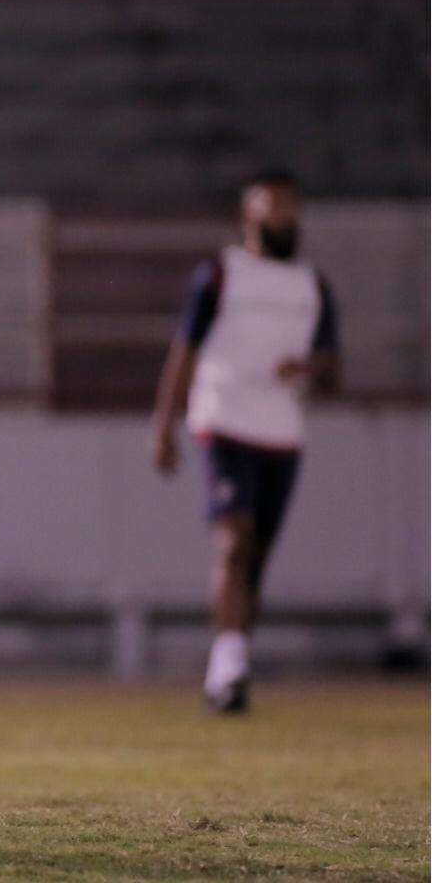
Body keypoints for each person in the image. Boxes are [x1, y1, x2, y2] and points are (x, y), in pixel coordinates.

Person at [150, 170, 340, 713]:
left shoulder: (313, 286)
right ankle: (229, 671)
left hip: (281, 432)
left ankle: (230, 665)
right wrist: (164, 426)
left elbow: (333, 370)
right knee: (232, 542)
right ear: (248, 216)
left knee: (255, 558)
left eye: (290, 209)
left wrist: (306, 365)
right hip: (223, 420)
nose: (284, 218)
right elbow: (183, 350)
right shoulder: (219, 275)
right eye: (272, 208)